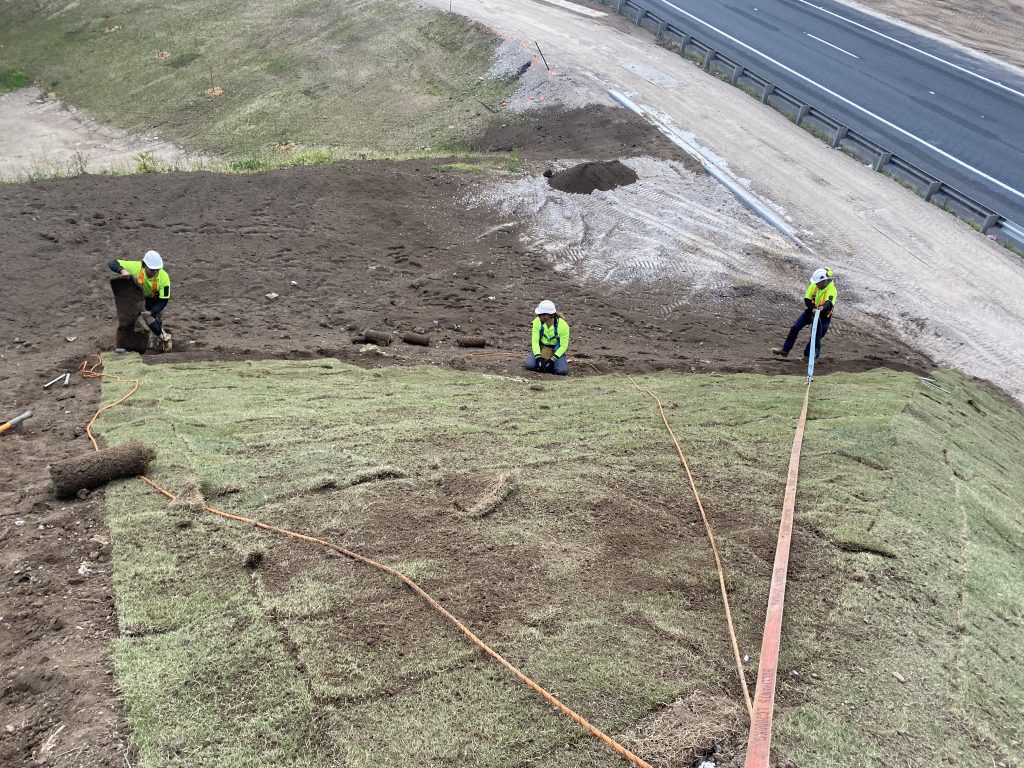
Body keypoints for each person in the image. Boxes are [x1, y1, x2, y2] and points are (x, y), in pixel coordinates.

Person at [108, 250, 172, 347]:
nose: (155, 272)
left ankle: (160, 338)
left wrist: (152, 312)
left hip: (156, 300)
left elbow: (163, 300)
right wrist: (123, 271)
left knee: (156, 318)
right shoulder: (136, 267)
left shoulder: (164, 278)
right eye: (152, 269)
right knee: (145, 319)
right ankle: (163, 338)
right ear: (144, 265)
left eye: (157, 269)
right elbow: (112, 263)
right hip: (140, 299)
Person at [772, 268, 837, 360]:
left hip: (824, 315)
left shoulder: (832, 289)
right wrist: (812, 308)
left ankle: (808, 356)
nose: (815, 284)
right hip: (811, 311)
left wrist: (822, 308)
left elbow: (829, 303)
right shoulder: (814, 285)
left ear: (824, 281)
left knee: (817, 336)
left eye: (817, 282)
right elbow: (807, 299)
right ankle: (785, 350)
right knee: (795, 327)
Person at [525, 300, 570, 375]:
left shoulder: (563, 326)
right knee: (529, 365)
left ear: (546, 315)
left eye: (540, 314)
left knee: (562, 371)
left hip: (556, 350)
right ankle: (544, 363)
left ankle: (549, 365)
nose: (538, 316)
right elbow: (535, 342)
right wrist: (538, 357)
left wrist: (552, 360)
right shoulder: (537, 322)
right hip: (541, 348)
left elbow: (563, 346)